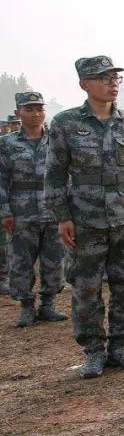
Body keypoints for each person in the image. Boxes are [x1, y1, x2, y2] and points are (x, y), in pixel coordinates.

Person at [45, 55, 124, 378]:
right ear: (84, 84)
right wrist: (62, 216)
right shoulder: (65, 124)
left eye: (115, 78)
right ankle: (93, 350)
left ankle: (120, 346)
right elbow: (54, 175)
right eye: (104, 78)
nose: (112, 83)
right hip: (85, 219)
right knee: (86, 287)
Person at [0, 91, 66, 327]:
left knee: (54, 260)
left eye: (39, 108)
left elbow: (67, 176)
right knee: (21, 262)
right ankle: (26, 307)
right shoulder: (6, 143)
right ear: (18, 113)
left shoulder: (57, 140)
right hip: (21, 212)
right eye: (29, 109)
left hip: (53, 211)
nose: (36, 114)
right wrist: (5, 211)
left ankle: (48, 304)